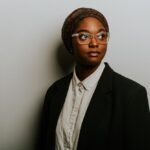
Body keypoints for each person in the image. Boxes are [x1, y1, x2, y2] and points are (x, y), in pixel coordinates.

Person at [38, 7, 150, 150]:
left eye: (101, 36)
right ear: (70, 43)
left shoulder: (132, 95)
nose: (94, 43)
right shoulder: (54, 92)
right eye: (84, 36)